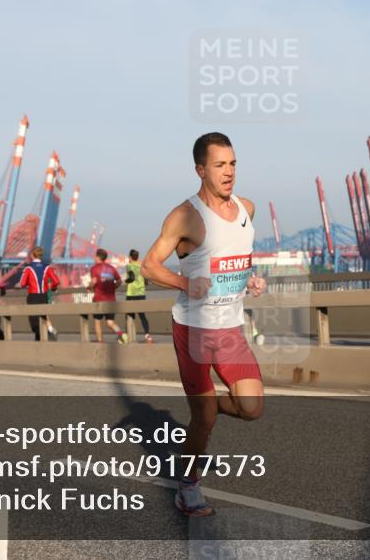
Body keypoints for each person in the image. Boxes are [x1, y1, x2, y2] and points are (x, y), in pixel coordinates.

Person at [141, 132, 265, 517]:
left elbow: (235, 258)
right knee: (205, 417)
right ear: (200, 169)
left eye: (232, 164)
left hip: (229, 329)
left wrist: (252, 277)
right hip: (193, 329)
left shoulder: (247, 208)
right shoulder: (185, 216)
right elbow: (149, 266)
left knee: (252, 407)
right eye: (219, 165)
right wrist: (183, 283)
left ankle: (205, 406)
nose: (228, 172)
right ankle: (188, 485)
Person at [18, 246, 61, 341]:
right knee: (43, 318)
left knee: (34, 322)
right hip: (43, 296)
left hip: (33, 297)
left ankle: (46, 336)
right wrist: (53, 288)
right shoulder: (47, 267)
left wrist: (30, 283)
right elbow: (56, 281)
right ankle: (42, 340)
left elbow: (22, 284)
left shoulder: (28, 268)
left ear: (32, 255)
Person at [89, 249, 127, 344]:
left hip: (99, 299)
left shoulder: (94, 268)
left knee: (97, 321)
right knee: (110, 322)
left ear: (97, 257)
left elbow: (93, 282)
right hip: (111, 299)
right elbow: (119, 281)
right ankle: (121, 335)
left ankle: (100, 341)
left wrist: (89, 287)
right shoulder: (112, 268)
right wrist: (113, 287)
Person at [124, 249, 152, 343]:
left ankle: (129, 336)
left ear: (130, 257)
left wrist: (126, 281)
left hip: (131, 293)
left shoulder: (129, 266)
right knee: (142, 315)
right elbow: (146, 281)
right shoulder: (142, 266)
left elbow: (131, 278)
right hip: (141, 293)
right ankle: (147, 335)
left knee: (129, 315)